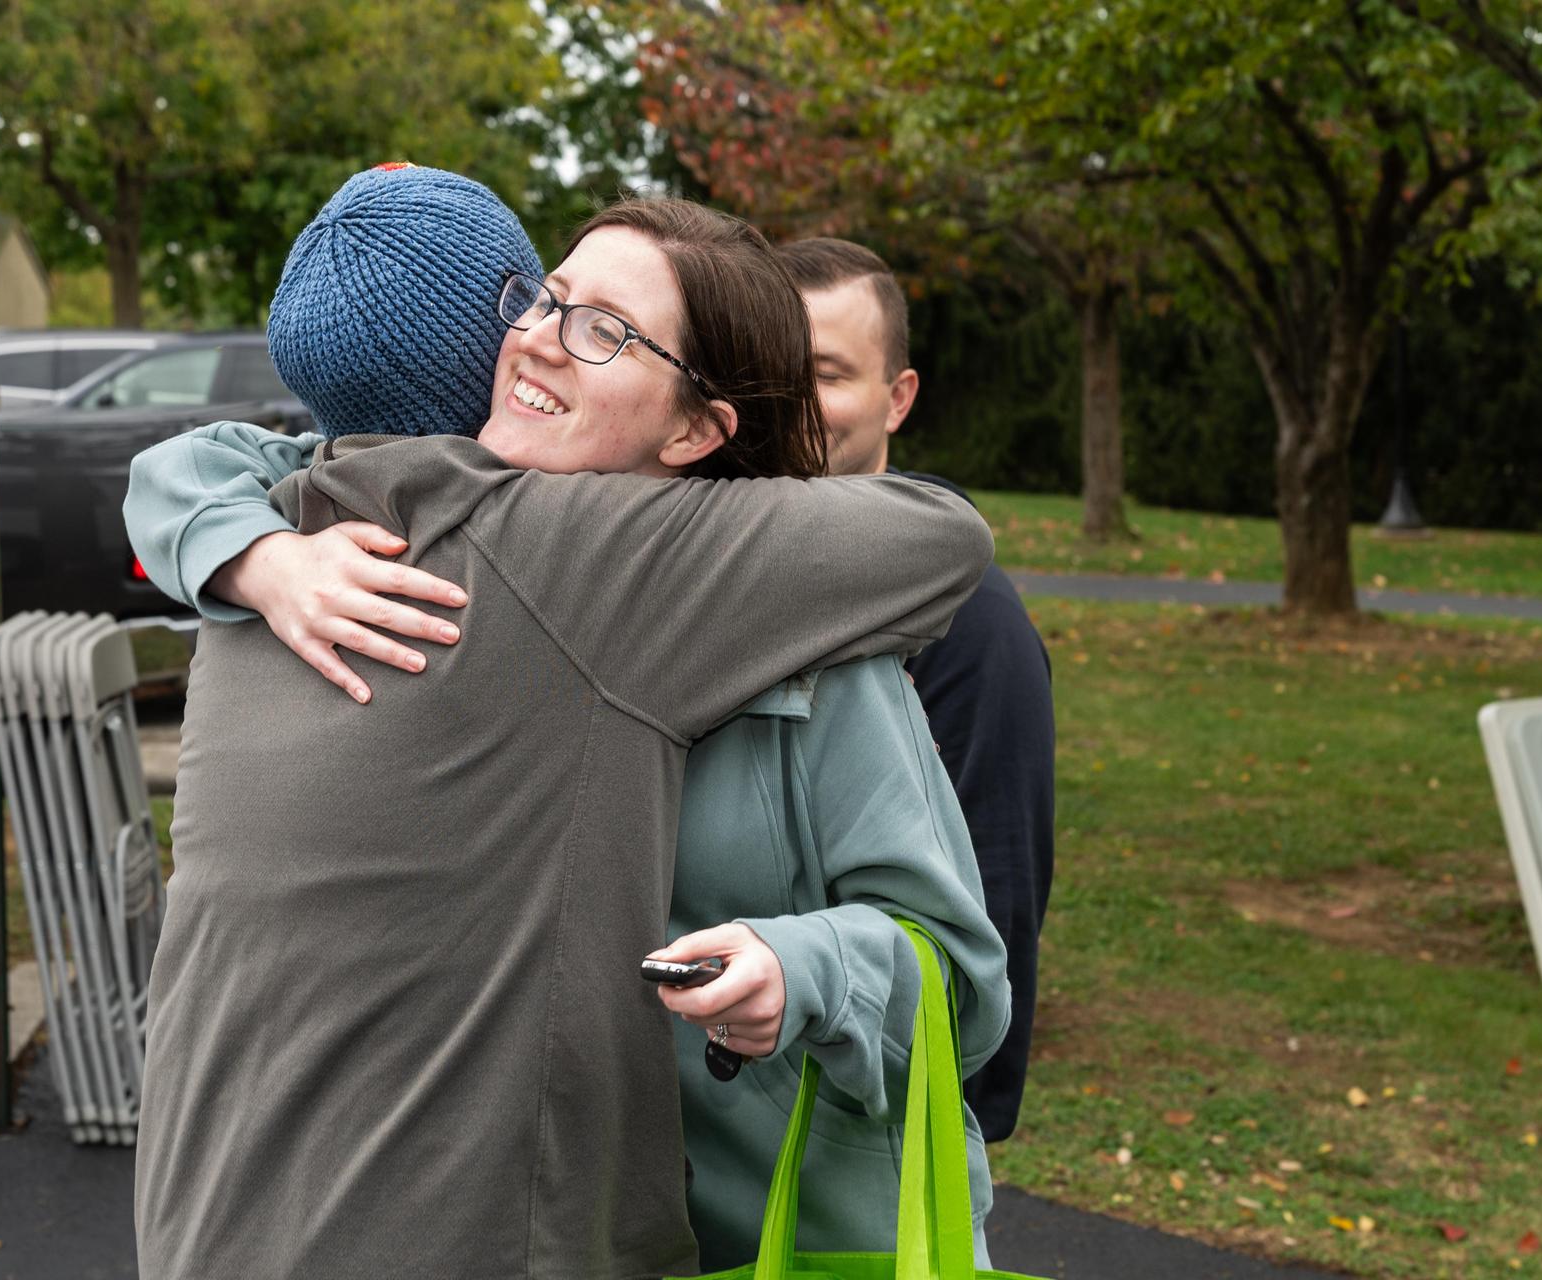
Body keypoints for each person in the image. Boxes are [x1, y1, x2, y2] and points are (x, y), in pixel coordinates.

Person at [127, 167, 1000, 1279]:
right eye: (542, 298)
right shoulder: (378, 557)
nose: (539, 336)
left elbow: (967, 992)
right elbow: (248, 459)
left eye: (604, 330)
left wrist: (809, 965)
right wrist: (249, 549)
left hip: (787, 1234)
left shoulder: (814, 666)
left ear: (697, 429)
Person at [774, 237, 1055, 1144]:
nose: (786, 401)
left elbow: (991, 923)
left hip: (850, 1131)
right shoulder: (722, 576)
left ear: (898, 398)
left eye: (822, 372)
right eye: (767, 368)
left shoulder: (969, 626)